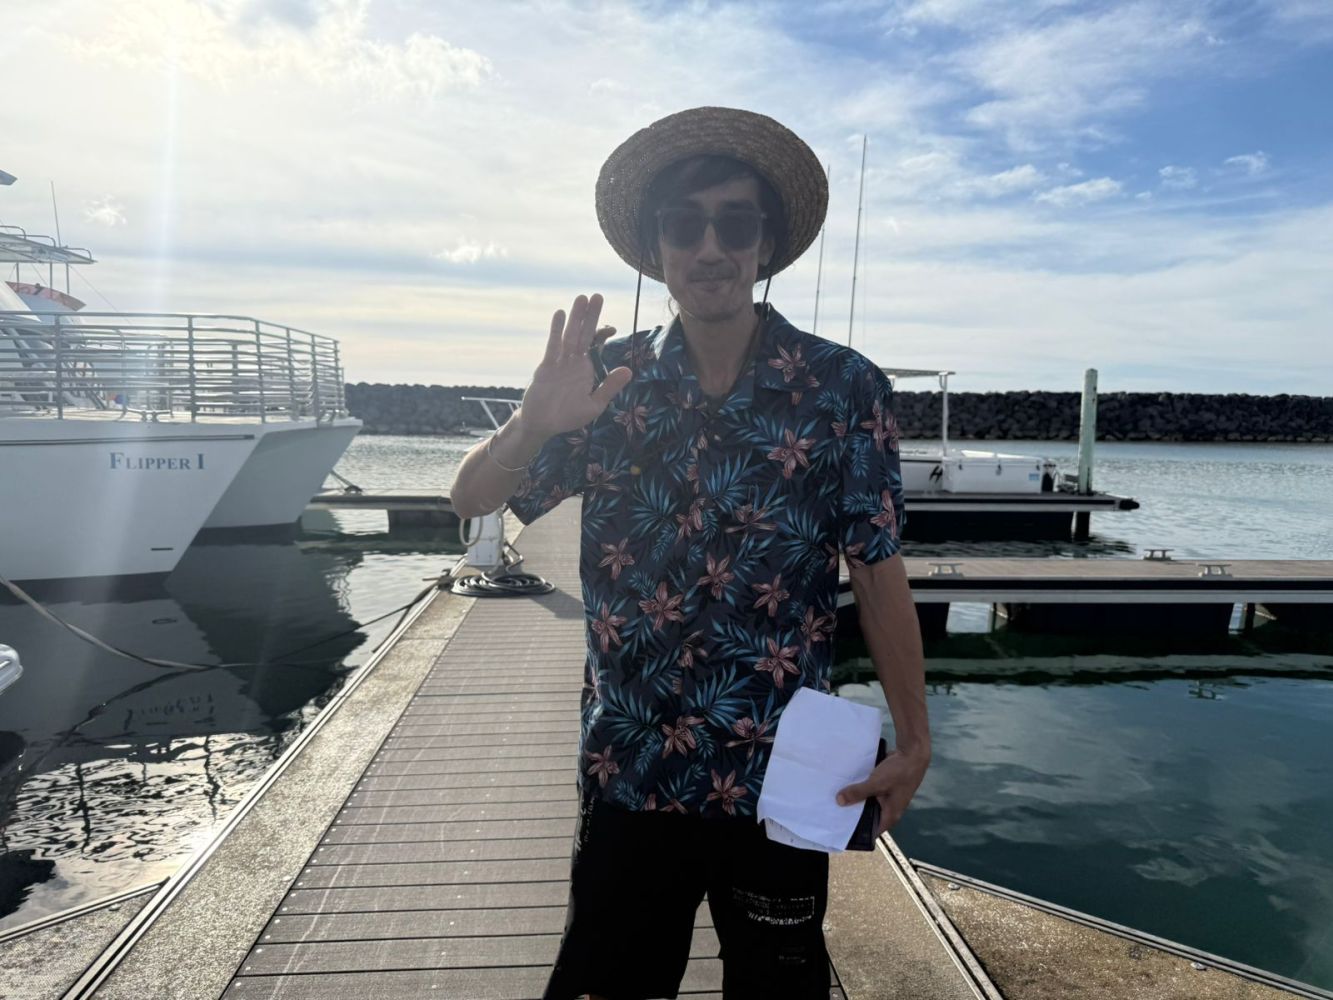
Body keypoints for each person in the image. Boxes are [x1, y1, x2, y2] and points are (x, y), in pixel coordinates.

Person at [451, 106, 930, 1000]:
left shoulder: (840, 386)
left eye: (735, 223)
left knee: (779, 991)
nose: (709, 246)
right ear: (655, 244)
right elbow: (472, 501)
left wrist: (915, 738)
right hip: (631, 764)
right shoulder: (606, 380)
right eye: (684, 224)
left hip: (783, 769)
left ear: (765, 244)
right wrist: (532, 420)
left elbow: (874, 565)